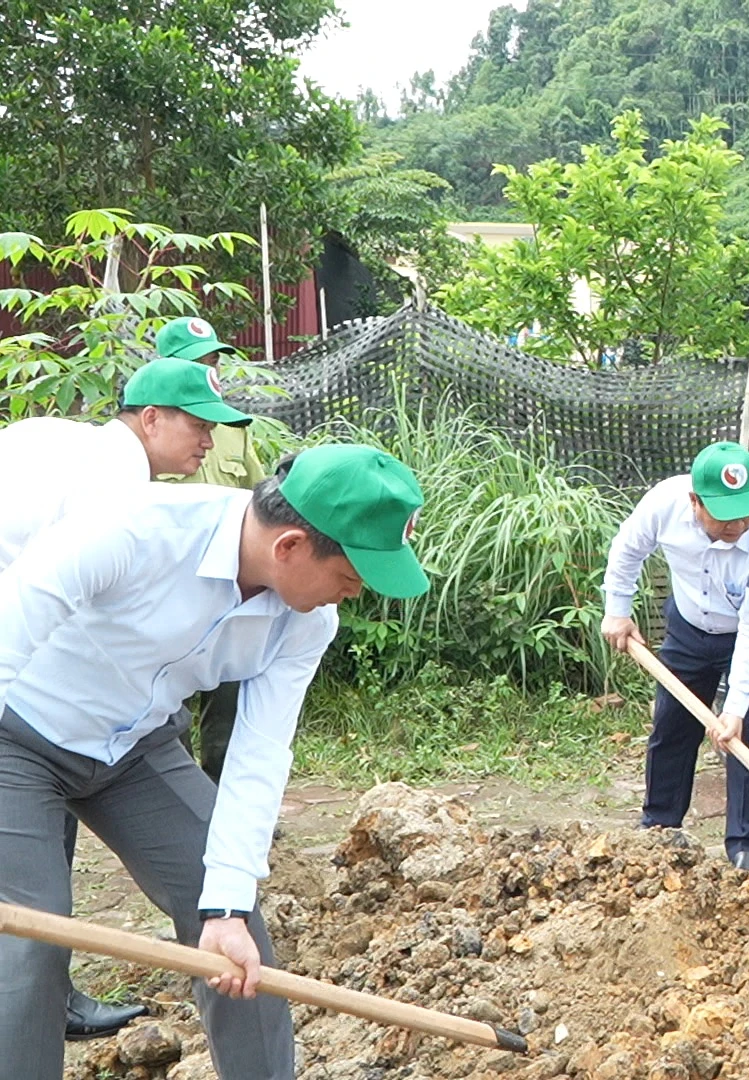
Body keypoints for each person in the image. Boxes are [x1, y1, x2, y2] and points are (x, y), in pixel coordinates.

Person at [0, 444, 429, 1078]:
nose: (356, 591)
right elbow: (11, 627)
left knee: (238, 942)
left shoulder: (307, 623)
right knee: (34, 938)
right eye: (351, 573)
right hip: (19, 737)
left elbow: (259, 753)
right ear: (289, 547)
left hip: (134, 748)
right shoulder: (135, 529)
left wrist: (225, 905)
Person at [0, 355, 244, 1041]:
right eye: (197, 425)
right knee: (29, 897)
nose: (208, 441)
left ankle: (52, 992)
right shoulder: (117, 488)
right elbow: (53, 611)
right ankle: (42, 992)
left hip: (36, 669)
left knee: (37, 863)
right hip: (17, 672)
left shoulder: (69, 443)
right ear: (150, 418)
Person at [600, 441, 749, 871]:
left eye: (747, 512)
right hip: (689, 624)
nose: (739, 524)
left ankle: (746, 847)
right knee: (672, 725)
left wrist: (737, 707)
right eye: (726, 515)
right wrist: (617, 610)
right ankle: (659, 827)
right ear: (695, 501)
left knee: (747, 733)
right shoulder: (664, 503)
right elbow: (627, 549)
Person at [152, 316, 268, 784]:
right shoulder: (150, 433)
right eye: (199, 362)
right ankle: (180, 798)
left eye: (214, 361)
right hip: (170, 590)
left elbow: (260, 495)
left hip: (227, 587)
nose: (210, 371)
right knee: (168, 704)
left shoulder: (233, 430)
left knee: (229, 694)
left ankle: (223, 795)